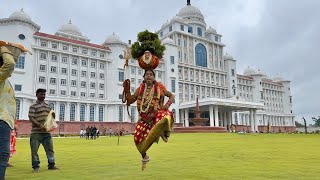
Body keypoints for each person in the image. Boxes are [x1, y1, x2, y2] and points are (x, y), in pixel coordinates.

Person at [123, 68, 175, 170]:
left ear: (154, 77)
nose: (149, 76)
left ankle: (165, 133)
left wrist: (166, 105)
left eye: (151, 74)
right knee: (137, 138)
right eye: (147, 74)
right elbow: (130, 100)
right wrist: (127, 90)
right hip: (144, 119)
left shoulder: (160, 87)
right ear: (144, 77)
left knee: (165, 117)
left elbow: (171, 96)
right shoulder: (140, 89)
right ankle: (144, 157)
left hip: (156, 115)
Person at [0, 45, 22, 179]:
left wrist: (13, 122)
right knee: (2, 154)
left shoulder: (5, 81)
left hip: (5, 121)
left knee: (3, 155)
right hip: (1, 121)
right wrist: (2, 48)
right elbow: (10, 64)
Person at [28, 88, 59, 173]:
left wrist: (53, 115)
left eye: (44, 94)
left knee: (50, 150)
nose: (43, 96)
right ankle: (36, 166)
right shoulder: (33, 106)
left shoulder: (48, 106)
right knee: (34, 150)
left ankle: (51, 164)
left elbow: (51, 118)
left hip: (47, 133)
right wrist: (39, 125)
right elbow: (31, 117)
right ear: (37, 95)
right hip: (36, 132)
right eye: (41, 94)